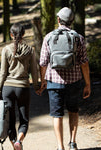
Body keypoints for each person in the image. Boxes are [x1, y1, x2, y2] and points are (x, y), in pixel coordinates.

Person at [38, 7, 91, 150]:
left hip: (54, 82)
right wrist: (88, 84)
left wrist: (42, 81)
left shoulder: (48, 37)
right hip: (74, 82)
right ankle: (73, 143)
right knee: (73, 111)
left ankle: (60, 147)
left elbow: (43, 63)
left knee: (57, 115)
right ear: (72, 21)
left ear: (58, 20)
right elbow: (84, 63)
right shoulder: (78, 38)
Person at [0, 23, 39, 150]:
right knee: (24, 119)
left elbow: (3, 72)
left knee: (10, 120)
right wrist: (36, 86)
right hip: (23, 88)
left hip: (7, 89)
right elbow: (34, 71)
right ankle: (19, 141)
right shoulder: (30, 50)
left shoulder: (6, 50)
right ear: (23, 34)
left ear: (11, 35)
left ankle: (13, 142)